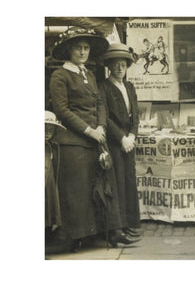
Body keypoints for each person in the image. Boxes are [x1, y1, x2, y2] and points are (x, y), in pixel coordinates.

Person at [49, 27, 138, 251]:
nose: (82, 52)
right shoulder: (60, 75)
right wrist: (89, 130)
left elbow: (99, 103)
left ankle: (113, 232)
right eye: (78, 48)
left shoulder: (89, 74)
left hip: (97, 138)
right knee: (78, 191)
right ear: (70, 50)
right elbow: (62, 110)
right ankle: (76, 236)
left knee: (106, 187)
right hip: (74, 141)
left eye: (86, 48)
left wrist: (100, 126)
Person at [98, 43, 143, 240]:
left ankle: (131, 223)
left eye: (123, 65)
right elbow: (105, 117)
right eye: (115, 64)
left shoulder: (130, 87)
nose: (119, 68)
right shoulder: (104, 87)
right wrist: (121, 138)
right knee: (117, 182)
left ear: (127, 67)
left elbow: (136, 114)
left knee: (129, 180)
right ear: (109, 66)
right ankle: (119, 226)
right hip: (115, 140)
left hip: (128, 140)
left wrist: (132, 135)